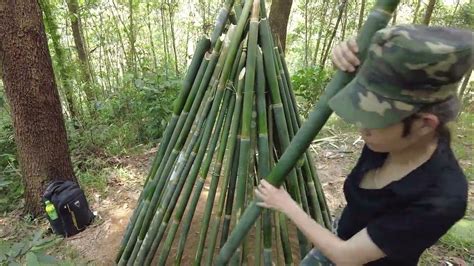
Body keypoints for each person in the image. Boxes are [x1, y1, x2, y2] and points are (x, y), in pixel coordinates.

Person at [255, 24, 472, 265]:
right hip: (338, 237)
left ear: (425, 124)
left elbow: (346, 256)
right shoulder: (389, 137)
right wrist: (343, 58)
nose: (361, 125)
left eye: (374, 117)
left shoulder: (442, 198)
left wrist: (286, 205)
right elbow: (357, 76)